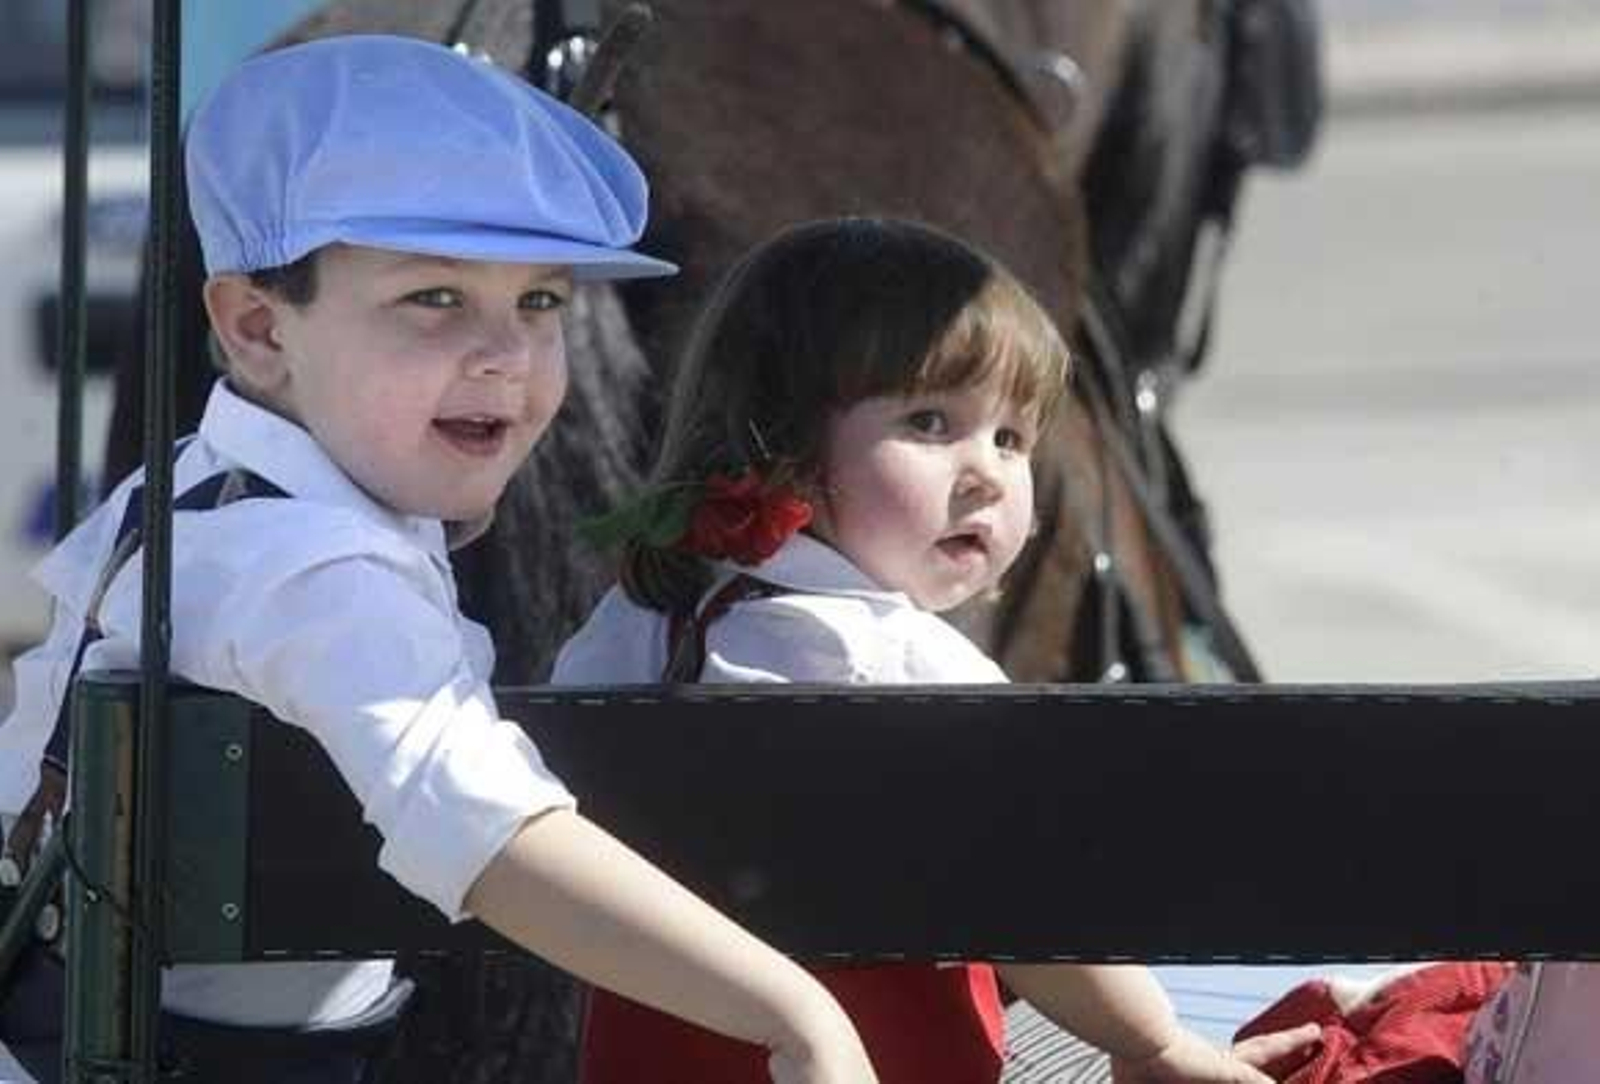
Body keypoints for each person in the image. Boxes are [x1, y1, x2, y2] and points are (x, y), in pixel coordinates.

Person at [0, 36, 877, 1084]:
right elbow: (486, 830)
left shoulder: (208, 492)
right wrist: (793, 1011)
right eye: (434, 298)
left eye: (541, 302)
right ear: (255, 329)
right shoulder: (307, 566)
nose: (504, 354)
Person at [554, 217, 1324, 1084]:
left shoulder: (635, 623)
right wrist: (1155, 1045)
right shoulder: (910, 669)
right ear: (790, 449)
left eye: (1012, 439)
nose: (987, 473)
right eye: (931, 421)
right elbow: (1038, 925)